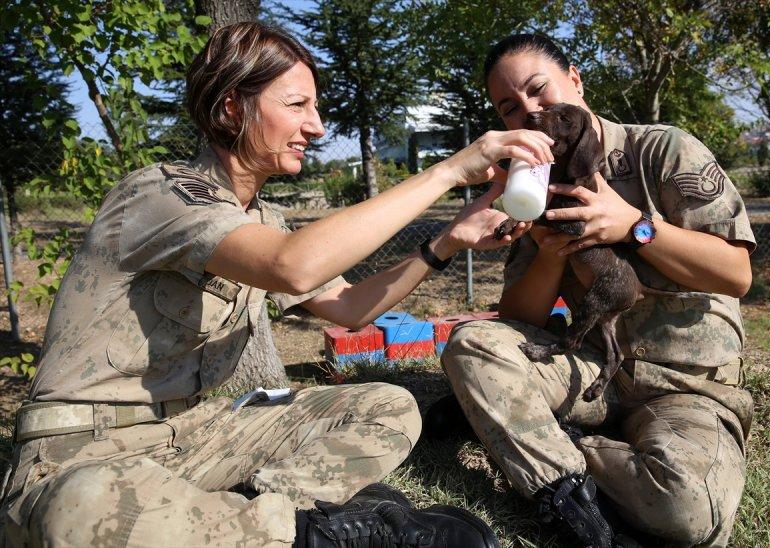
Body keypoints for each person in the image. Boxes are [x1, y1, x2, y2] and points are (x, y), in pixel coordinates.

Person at [0, 23, 558, 547]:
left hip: (194, 433)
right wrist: (448, 171)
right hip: (85, 450)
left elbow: (349, 307)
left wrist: (447, 242)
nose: (316, 127)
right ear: (231, 107)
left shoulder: (263, 221)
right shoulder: (158, 194)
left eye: (314, 107)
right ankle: (316, 530)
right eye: (296, 105)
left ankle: (255, 515)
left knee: (389, 405)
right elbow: (293, 267)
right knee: (80, 509)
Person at [440, 33, 756, 547]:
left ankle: (547, 440)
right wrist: (549, 251)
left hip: (685, 387)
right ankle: (568, 499)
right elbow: (520, 318)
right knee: (472, 345)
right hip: (589, 369)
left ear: (575, 80)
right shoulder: (533, 182)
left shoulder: (662, 150)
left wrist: (635, 226)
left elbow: (736, 274)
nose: (530, 111)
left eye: (539, 90)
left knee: (686, 508)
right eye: (510, 108)